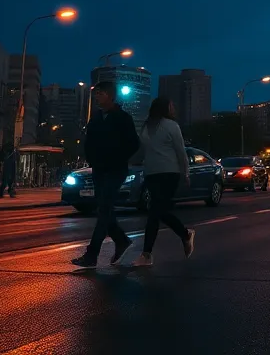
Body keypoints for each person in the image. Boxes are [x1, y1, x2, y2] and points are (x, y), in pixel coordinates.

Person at [71, 81, 140, 270]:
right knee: (104, 209)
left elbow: (134, 143)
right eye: (96, 94)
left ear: (110, 95)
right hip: (99, 169)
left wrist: (118, 157)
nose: (97, 97)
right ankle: (121, 241)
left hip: (116, 170)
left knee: (103, 210)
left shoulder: (123, 118)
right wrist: (92, 159)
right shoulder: (96, 118)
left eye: (100, 94)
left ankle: (92, 254)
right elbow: (89, 142)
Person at [131, 97, 194, 267]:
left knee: (155, 211)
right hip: (151, 173)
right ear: (163, 107)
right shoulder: (146, 126)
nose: (173, 109)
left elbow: (181, 151)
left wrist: (186, 172)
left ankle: (146, 254)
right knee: (159, 211)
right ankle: (185, 234)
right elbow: (142, 150)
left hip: (169, 173)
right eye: (171, 105)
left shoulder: (172, 126)